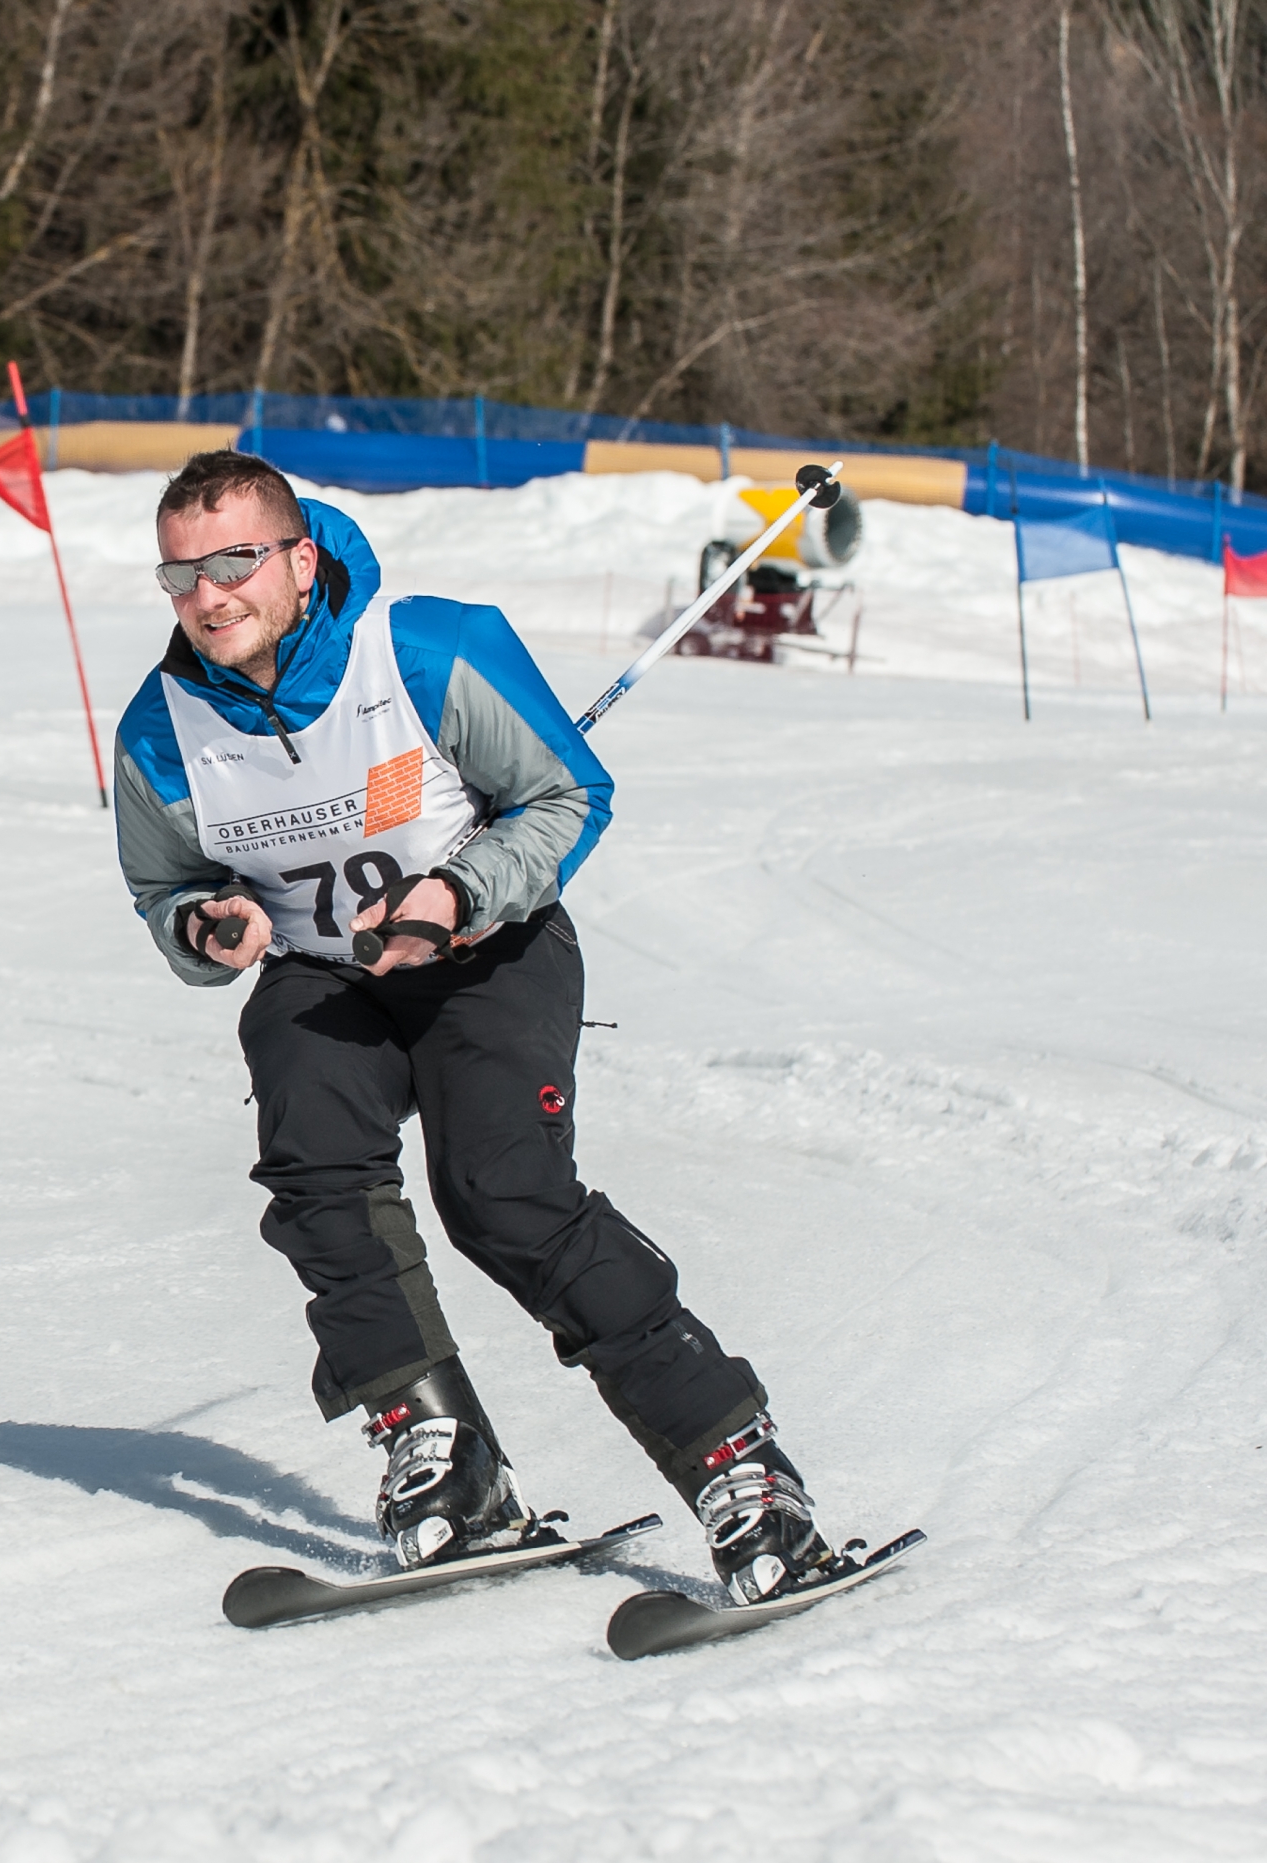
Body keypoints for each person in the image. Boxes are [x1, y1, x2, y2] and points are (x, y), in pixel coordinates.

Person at [112, 450, 830, 1604]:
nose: (209, 595)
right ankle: (444, 1459)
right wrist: (205, 926)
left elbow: (567, 796)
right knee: (315, 1175)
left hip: (484, 952)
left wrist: (455, 896)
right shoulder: (161, 729)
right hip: (321, 973)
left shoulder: (427, 650)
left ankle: (740, 1470)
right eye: (181, 572)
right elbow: (163, 889)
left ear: (299, 560)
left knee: (503, 1197)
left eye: (237, 561)